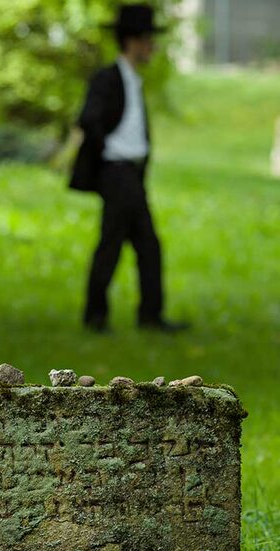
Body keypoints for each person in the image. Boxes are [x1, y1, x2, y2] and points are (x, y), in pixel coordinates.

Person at [70, 3, 189, 333]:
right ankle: (98, 315)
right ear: (133, 41)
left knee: (145, 245)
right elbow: (88, 119)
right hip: (117, 171)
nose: (153, 46)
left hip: (132, 173)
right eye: (149, 39)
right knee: (116, 242)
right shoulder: (107, 79)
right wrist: (108, 153)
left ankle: (146, 315)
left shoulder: (133, 81)